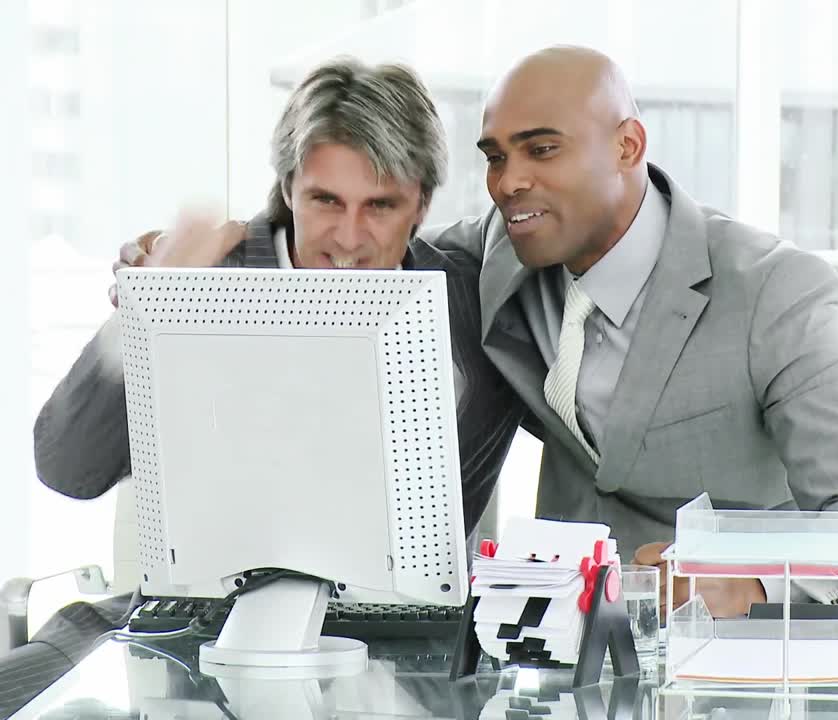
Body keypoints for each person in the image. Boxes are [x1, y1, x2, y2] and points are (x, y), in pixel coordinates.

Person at [5, 57, 523, 714]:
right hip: (181, 635)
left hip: (398, 657)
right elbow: (67, 467)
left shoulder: (472, 307)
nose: (349, 238)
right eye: (325, 200)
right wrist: (148, 301)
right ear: (287, 188)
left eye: (381, 205)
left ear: (421, 203)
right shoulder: (200, 276)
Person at [424, 46, 838, 617]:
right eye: (495, 157)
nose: (509, 182)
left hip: (735, 663)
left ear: (627, 146)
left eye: (542, 149)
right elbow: (372, 239)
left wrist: (753, 588)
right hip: (561, 647)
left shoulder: (772, 291)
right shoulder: (501, 251)